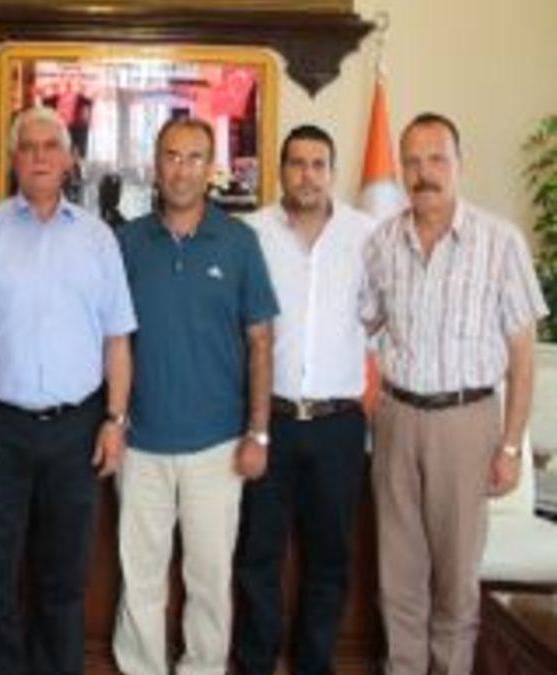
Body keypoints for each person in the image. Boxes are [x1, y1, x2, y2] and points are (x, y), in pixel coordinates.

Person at [0, 106, 136, 675]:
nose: (40, 156)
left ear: (69, 160)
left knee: (63, 574)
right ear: (13, 159)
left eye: (51, 146)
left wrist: (115, 421)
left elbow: (118, 340)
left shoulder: (98, 239)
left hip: (77, 429)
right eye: (28, 147)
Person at [363, 112, 549, 675]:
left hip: (467, 423)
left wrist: (510, 446)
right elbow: (361, 329)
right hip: (397, 419)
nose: (424, 173)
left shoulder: (500, 242)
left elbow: (523, 358)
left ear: (459, 165)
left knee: (455, 580)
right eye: (413, 162)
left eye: (437, 159)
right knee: (398, 578)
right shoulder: (382, 242)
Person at [113, 116, 278, 675]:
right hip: (141, 444)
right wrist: (115, 422)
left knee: (209, 579)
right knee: (140, 578)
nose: (181, 170)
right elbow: (113, 341)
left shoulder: (239, 242)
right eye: (171, 156)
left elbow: (261, 341)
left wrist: (258, 433)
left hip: (218, 447)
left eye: (194, 158)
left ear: (211, 169)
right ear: (155, 165)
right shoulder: (127, 242)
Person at [235, 125, 375, 675]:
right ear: (281, 171)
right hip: (269, 419)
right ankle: (256, 663)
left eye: (319, 164)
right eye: (297, 163)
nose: (308, 175)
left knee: (329, 558)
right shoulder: (252, 233)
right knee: (259, 555)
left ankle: (314, 665)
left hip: (338, 424)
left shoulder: (367, 235)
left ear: (332, 173)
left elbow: (382, 320)